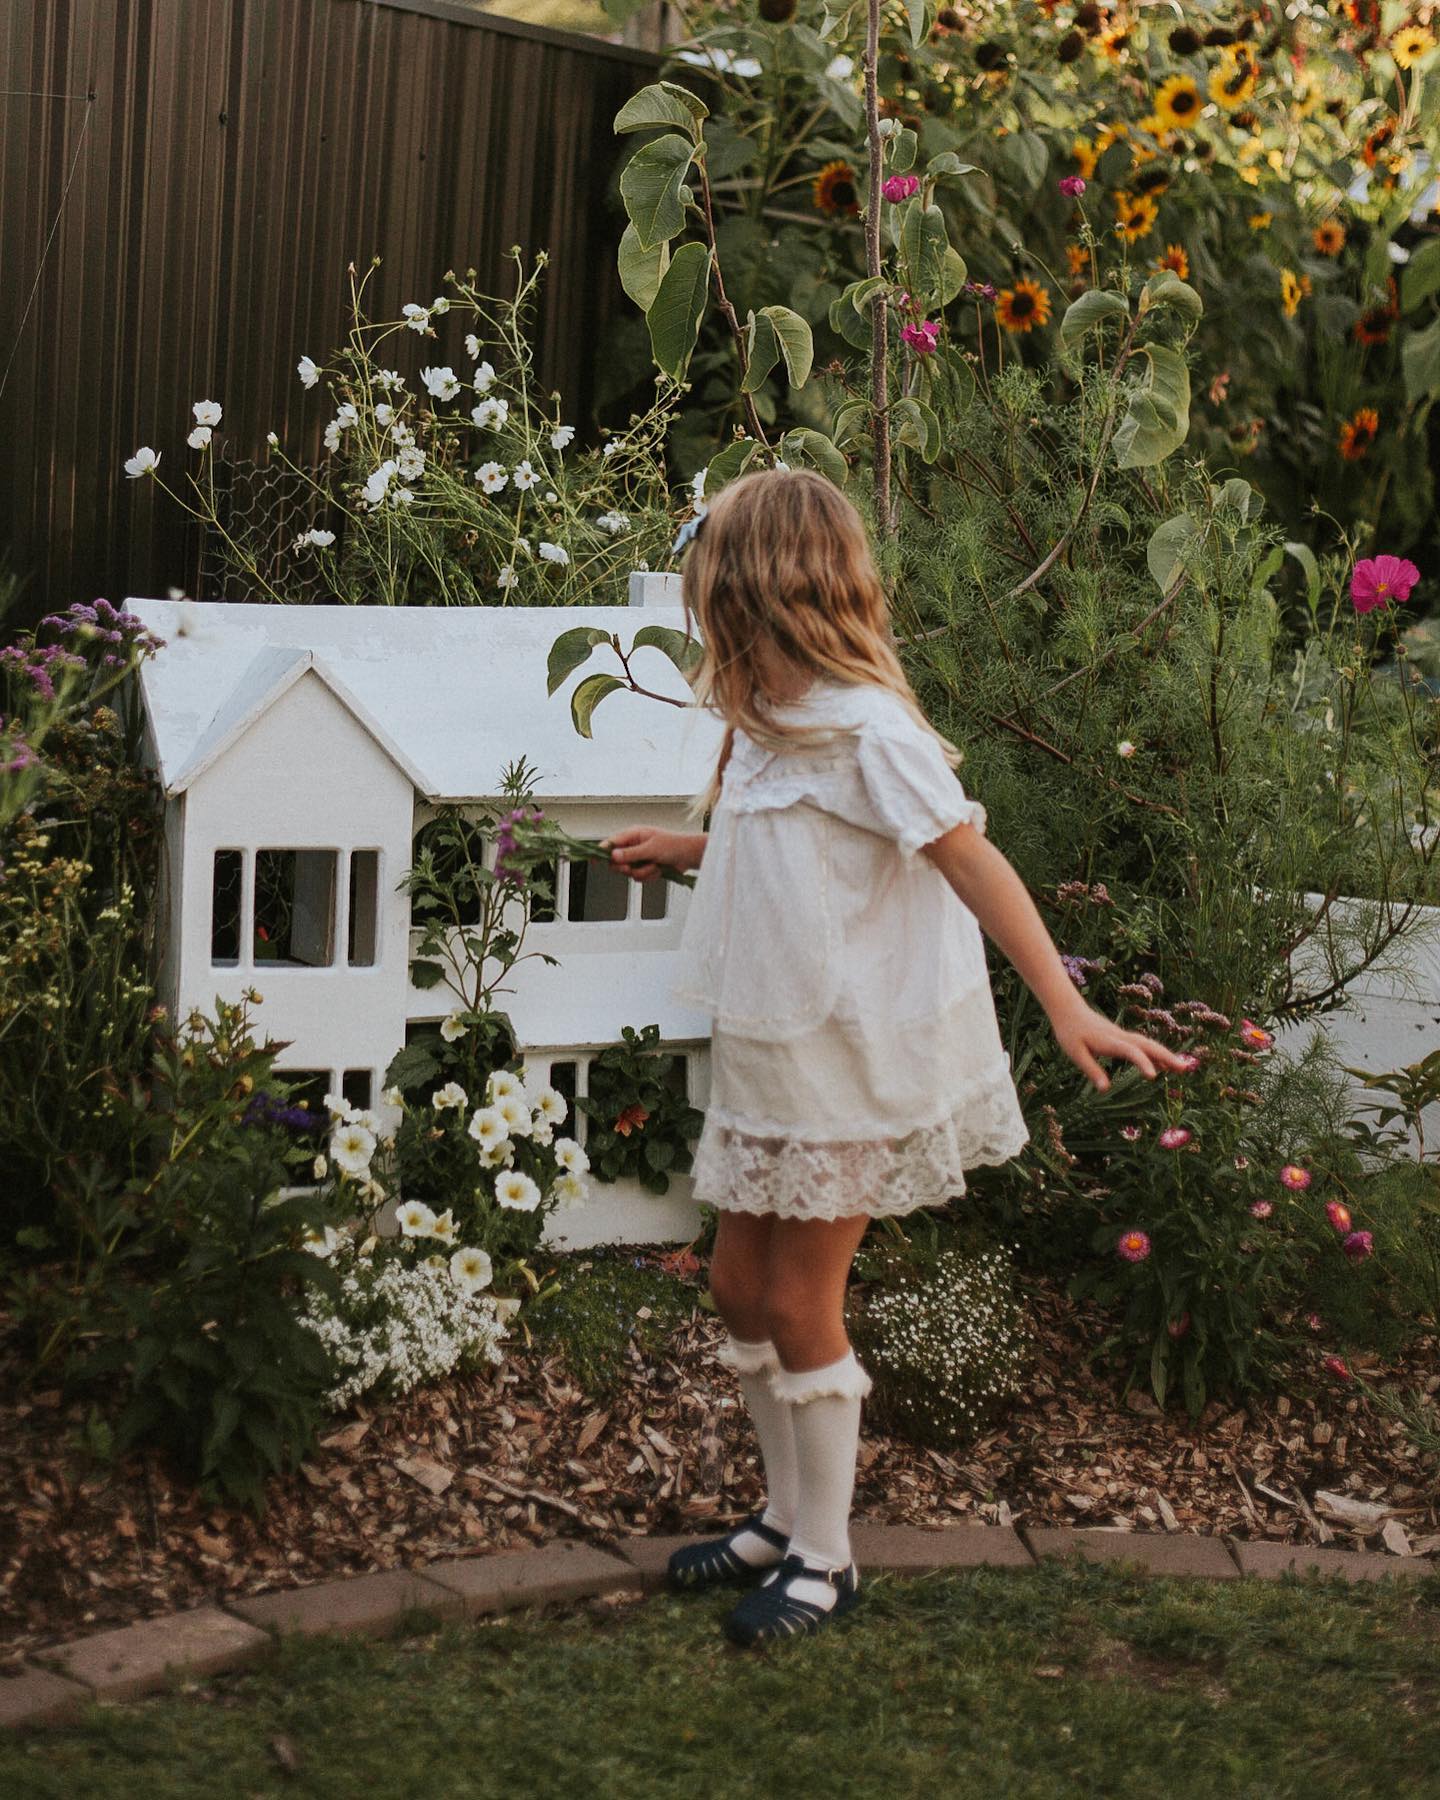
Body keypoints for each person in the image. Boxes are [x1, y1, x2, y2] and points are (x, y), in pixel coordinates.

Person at [603, 468, 1189, 1648]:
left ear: (757, 594)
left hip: (851, 1062)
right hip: (775, 1052)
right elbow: (778, 852)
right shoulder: (766, 726)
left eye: (705, 587)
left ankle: (826, 1558)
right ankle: (778, 1518)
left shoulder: (874, 731)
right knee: (735, 1287)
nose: (698, 612)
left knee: (798, 1302)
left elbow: (971, 862)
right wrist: (687, 848)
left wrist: (1065, 1004)